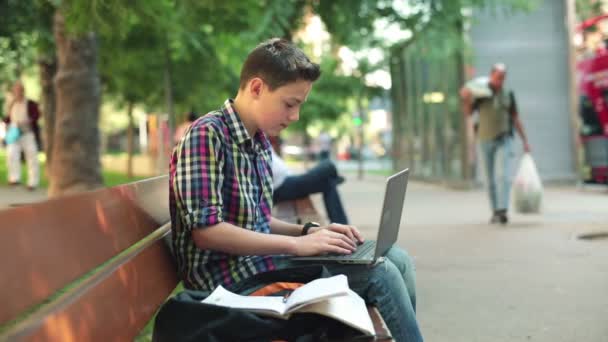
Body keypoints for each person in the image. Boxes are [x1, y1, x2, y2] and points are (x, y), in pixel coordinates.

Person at [169, 38, 422, 342]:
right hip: (228, 285)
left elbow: (257, 222)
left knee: (398, 258)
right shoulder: (207, 135)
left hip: (260, 266)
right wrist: (296, 247)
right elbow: (206, 232)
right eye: (290, 104)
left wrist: (308, 233)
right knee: (381, 274)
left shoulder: (258, 140)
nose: (295, 116)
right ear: (257, 88)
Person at [460, 63, 531, 224]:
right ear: (491, 75)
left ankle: (502, 210)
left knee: (503, 175)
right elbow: (468, 113)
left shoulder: (508, 94)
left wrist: (525, 140)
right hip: (484, 140)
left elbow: (515, 118)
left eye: (503, 77)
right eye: (498, 77)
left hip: (503, 139)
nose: (500, 80)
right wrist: (465, 99)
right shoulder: (481, 93)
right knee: (489, 178)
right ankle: (494, 210)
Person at [271, 147, 349, 224]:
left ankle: (341, 226)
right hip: (281, 186)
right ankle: (342, 225)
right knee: (328, 165)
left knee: (328, 183)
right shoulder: (261, 142)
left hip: (287, 181)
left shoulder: (264, 141)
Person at [3, 81, 40, 190]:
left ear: (23, 91)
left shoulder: (30, 103)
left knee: (31, 156)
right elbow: (7, 119)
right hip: (14, 134)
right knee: (11, 154)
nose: (17, 92)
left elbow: (36, 115)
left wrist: (29, 120)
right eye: (15, 90)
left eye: (19, 90)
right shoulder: (12, 104)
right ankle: (14, 178)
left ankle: (33, 182)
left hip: (27, 133)